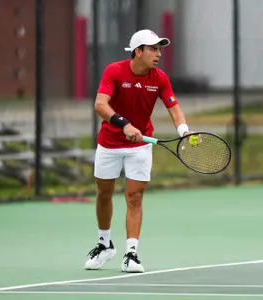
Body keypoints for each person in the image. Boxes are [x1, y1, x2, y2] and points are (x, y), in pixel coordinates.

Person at [84, 29, 191, 273]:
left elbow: (174, 109)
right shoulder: (114, 71)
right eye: (153, 49)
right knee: (104, 193)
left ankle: (131, 253)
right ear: (138, 51)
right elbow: (100, 104)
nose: (158, 54)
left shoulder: (160, 78)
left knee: (135, 197)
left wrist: (184, 130)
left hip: (141, 145)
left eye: (160, 49)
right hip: (109, 143)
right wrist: (124, 124)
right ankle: (104, 244)